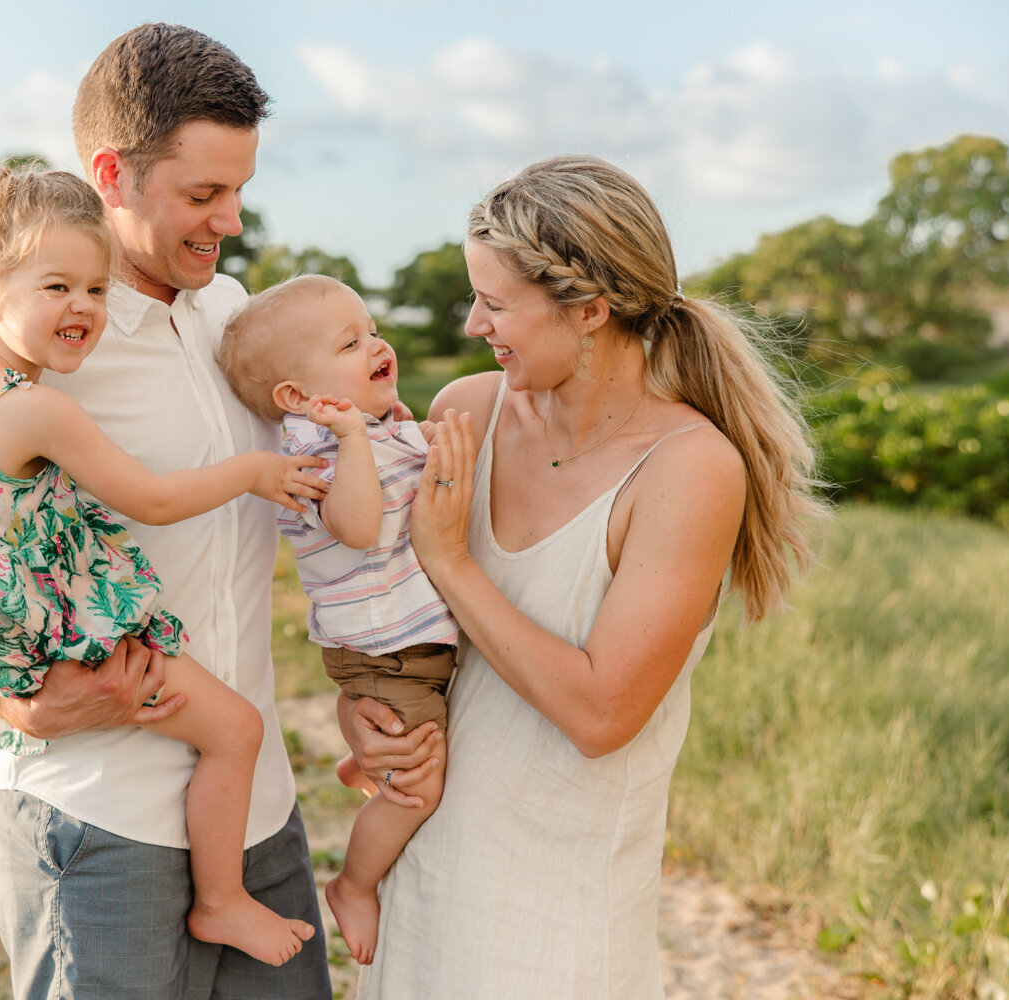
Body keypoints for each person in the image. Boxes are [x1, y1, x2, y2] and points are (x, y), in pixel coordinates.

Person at [0, 24, 335, 1000]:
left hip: (253, 817)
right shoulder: (37, 352)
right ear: (112, 170)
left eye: (239, 189)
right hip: (91, 823)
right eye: (203, 194)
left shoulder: (237, 315)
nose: (230, 220)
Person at [341, 155, 827, 998]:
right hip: (421, 873)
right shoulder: (468, 412)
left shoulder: (689, 471)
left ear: (592, 310)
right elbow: (394, 607)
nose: (471, 327)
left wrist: (451, 560)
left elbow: (603, 713)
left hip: (560, 911)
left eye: (494, 304)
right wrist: (366, 704)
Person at [215, 274, 457, 965]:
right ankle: (354, 885)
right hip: (385, 652)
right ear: (297, 399)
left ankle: (360, 758)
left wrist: (394, 430)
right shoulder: (315, 457)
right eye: (350, 344)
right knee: (417, 786)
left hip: (405, 645)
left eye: (371, 330)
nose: (376, 344)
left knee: (412, 752)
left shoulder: (372, 429)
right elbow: (356, 525)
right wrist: (353, 436)